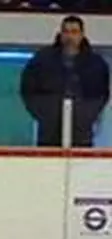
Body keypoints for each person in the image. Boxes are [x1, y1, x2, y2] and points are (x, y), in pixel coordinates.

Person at [21, 15, 110, 148]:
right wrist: (46, 115)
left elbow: (101, 94)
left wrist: (85, 117)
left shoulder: (96, 64)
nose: (69, 37)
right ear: (61, 34)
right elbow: (28, 90)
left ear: (81, 35)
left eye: (74, 32)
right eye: (66, 31)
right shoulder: (42, 60)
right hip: (49, 133)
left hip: (81, 134)